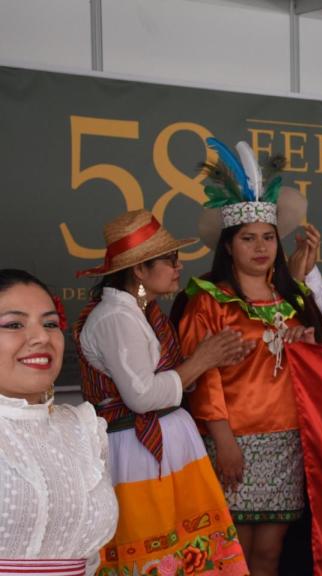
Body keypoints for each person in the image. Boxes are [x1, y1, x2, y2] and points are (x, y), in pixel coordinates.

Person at [173, 138, 322, 576]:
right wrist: (224, 442)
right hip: (234, 439)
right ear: (228, 246)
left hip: (286, 439)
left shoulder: (293, 296)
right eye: (248, 239)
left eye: (268, 238)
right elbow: (204, 379)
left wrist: (308, 349)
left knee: (270, 554)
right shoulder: (209, 300)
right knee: (233, 552)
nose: (261, 248)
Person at [74, 210, 252, 575]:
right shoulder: (116, 318)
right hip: (138, 451)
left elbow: (163, 381)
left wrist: (212, 357)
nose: (178, 265)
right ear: (139, 270)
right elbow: (141, 397)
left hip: (166, 445)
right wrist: (201, 360)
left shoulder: (142, 311)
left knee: (186, 548)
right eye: (170, 259)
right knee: (151, 547)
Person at [0, 269, 118, 575]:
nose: (42, 337)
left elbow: (91, 559)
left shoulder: (82, 429)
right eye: (14, 324)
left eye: (50, 323)